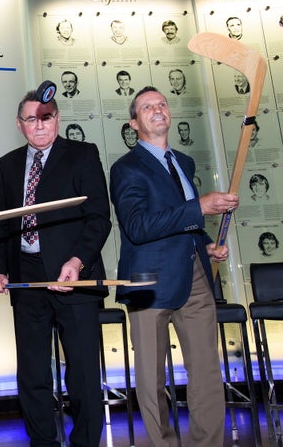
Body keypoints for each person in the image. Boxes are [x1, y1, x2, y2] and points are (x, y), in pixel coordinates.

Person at [110, 86, 237, 446]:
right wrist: (199, 208)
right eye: (147, 107)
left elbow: (182, 221)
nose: (158, 109)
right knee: (151, 378)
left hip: (195, 274)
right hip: (147, 281)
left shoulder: (185, 162)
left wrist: (207, 244)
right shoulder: (125, 169)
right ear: (134, 123)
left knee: (207, 371)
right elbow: (137, 226)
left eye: (162, 104)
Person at [0, 91, 111, 446]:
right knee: (32, 373)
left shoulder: (83, 155)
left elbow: (99, 218)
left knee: (83, 372)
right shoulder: (7, 165)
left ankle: (86, 441)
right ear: (19, 124)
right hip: (26, 278)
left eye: (46, 117)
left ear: (57, 119)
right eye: (31, 119)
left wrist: (76, 261)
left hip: (74, 275)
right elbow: (1, 224)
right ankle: (42, 442)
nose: (39, 125)